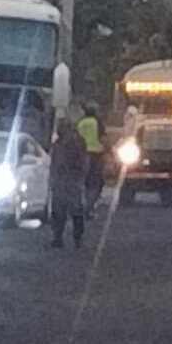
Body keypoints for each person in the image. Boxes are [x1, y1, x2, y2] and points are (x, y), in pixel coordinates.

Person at [50, 118, 88, 249]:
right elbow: (54, 163)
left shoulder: (76, 143)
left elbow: (82, 162)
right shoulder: (58, 143)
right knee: (59, 211)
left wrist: (79, 177)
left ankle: (77, 238)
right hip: (62, 181)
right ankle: (58, 238)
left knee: (75, 210)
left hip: (71, 181)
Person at [76, 101, 107, 217]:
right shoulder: (98, 123)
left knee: (82, 182)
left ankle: (79, 207)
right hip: (95, 155)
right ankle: (88, 208)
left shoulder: (80, 122)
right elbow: (103, 139)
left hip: (80, 155)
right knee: (96, 183)